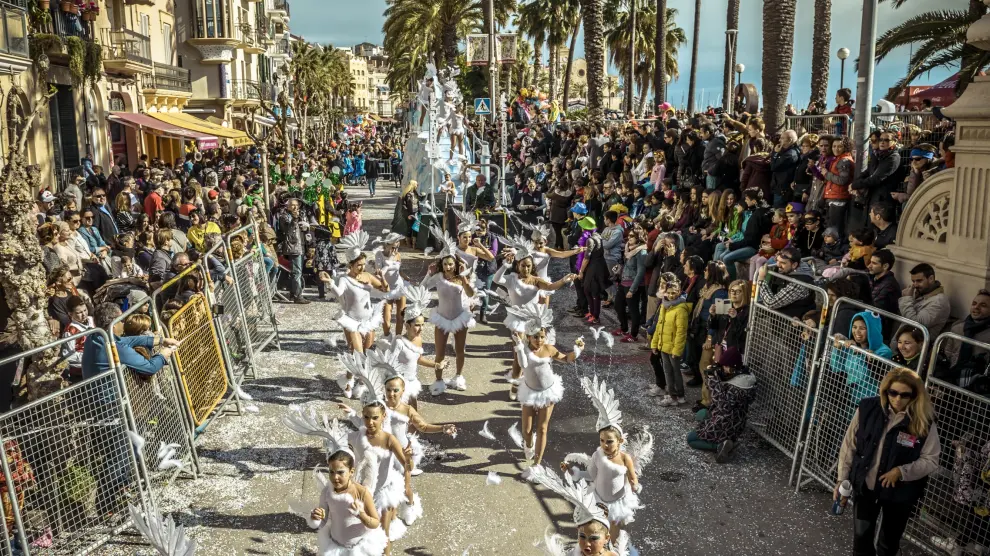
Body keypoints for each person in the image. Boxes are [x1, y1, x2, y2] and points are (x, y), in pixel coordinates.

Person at [835, 368, 940, 556]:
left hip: (900, 494)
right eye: (893, 393)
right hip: (866, 486)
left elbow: (931, 459)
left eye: (904, 395)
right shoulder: (867, 408)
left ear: (914, 395)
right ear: (885, 391)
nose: (897, 399)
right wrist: (841, 479)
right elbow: (849, 444)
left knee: (888, 545)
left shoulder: (924, 419)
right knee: (861, 541)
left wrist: (902, 471)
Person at [509, 304, 584, 470]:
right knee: (527, 430)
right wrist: (519, 346)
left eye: (542, 336)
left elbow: (566, 359)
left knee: (542, 429)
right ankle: (528, 445)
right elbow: (523, 363)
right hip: (529, 392)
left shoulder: (549, 348)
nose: (539, 340)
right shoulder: (524, 350)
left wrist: (577, 351)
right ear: (528, 337)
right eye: (535, 337)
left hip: (548, 392)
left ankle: (537, 464)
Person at [319, 231, 389, 399]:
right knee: (358, 354)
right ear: (350, 265)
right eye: (359, 265)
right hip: (351, 321)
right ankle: (360, 383)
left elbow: (385, 289)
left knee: (363, 353)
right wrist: (330, 283)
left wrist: (382, 277)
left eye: (363, 264)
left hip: (368, 320)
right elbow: (338, 292)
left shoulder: (367, 276)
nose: (362, 268)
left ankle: (349, 379)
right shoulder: (344, 279)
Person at [688, 347, 758, 463]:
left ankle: (721, 445)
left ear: (733, 367)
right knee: (700, 414)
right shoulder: (741, 375)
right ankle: (723, 439)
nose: (723, 369)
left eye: (725, 366)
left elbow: (721, 403)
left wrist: (713, 381)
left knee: (691, 439)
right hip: (736, 419)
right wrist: (714, 374)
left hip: (727, 422)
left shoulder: (739, 385)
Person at [421, 253, 476, 394]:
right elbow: (423, 288)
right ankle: (438, 381)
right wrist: (429, 274)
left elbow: (470, 294)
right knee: (440, 352)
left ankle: (458, 376)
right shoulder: (438, 278)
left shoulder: (461, 278)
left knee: (460, 351)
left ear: (456, 265)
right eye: (445, 264)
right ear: (442, 265)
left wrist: (464, 280)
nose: (448, 267)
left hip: (459, 317)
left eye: (451, 264)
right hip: (442, 318)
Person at [650, 281, 691, 406]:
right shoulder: (664, 305)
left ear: (679, 292)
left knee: (675, 371)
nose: (671, 295)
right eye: (669, 292)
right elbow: (659, 326)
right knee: (667, 371)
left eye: (674, 293)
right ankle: (673, 395)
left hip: (673, 347)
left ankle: (677, 395)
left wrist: (676, 350)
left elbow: (681, 332)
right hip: (664, 345)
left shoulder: (681, 309)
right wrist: (654, 344)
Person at [756, 248, 817, 318]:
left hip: (793, 325)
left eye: (783, 263)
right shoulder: (786, 269)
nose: (778, 265)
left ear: (794, 265)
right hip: (781, 320)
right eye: (777, 261)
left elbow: (771, 303)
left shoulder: (800, 283)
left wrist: (761, 279)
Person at [813, 136, 855, 236]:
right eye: (834, 146)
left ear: (846, 147)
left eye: (839, 146)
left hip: (838, 198)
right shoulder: (838, 159)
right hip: (834, 197)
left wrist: (827, 174)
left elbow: (842, 180)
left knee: (834, 229)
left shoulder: (844, 161)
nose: (836, 149)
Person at [613, 229, 648, 343]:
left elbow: (641, 272)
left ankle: (633, 335)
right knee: (618, 305)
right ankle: (624, 329)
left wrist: (632, 289)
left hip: (633, 285)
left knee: (633, 311)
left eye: (632, 236)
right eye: (629, 236)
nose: (629, 238)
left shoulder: (641, 252)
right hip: (623, 282)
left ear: (638, 238)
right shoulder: (628, 249)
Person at [897, 263, 950, 338]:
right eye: (913, 281)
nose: (915, 285)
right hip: (904, 341)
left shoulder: (939, 302)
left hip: (917, 345)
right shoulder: (920, 293)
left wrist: (906, 299)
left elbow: (915, 323)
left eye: (919, 281)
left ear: (931, 279)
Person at [943, 290, 990, 367]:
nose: (976, 307)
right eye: (974, 304)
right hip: (952, 373)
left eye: (983, 305)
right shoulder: (957, 328)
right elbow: (947, 353)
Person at [278, 198, 311, 304]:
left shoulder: (301, 214)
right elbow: (287, 230)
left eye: (296, 205)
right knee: (296, 272)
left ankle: (294, 292)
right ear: (287, 206)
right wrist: (295, 219)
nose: (294, 207)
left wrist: (306, 227)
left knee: (298, 271)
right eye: (292, 205)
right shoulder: (284, 216)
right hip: (292, 247)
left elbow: (304, 229)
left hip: (300, 245)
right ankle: (298, 296)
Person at [770, 130, 801, 208]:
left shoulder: (790, 154)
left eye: (783, 138)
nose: (780, 140)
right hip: (781, 189)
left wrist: (775, 153)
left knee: (780, 213)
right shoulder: (788, 151)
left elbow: (774, 166)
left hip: (783, 191)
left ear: (790, 140)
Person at [868, 249, 901, 321]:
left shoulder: (890, 285)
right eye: (870, 262)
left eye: (874, 263)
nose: (869, 266)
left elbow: (876, 307)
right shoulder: (871, 276)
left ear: (885, 266)